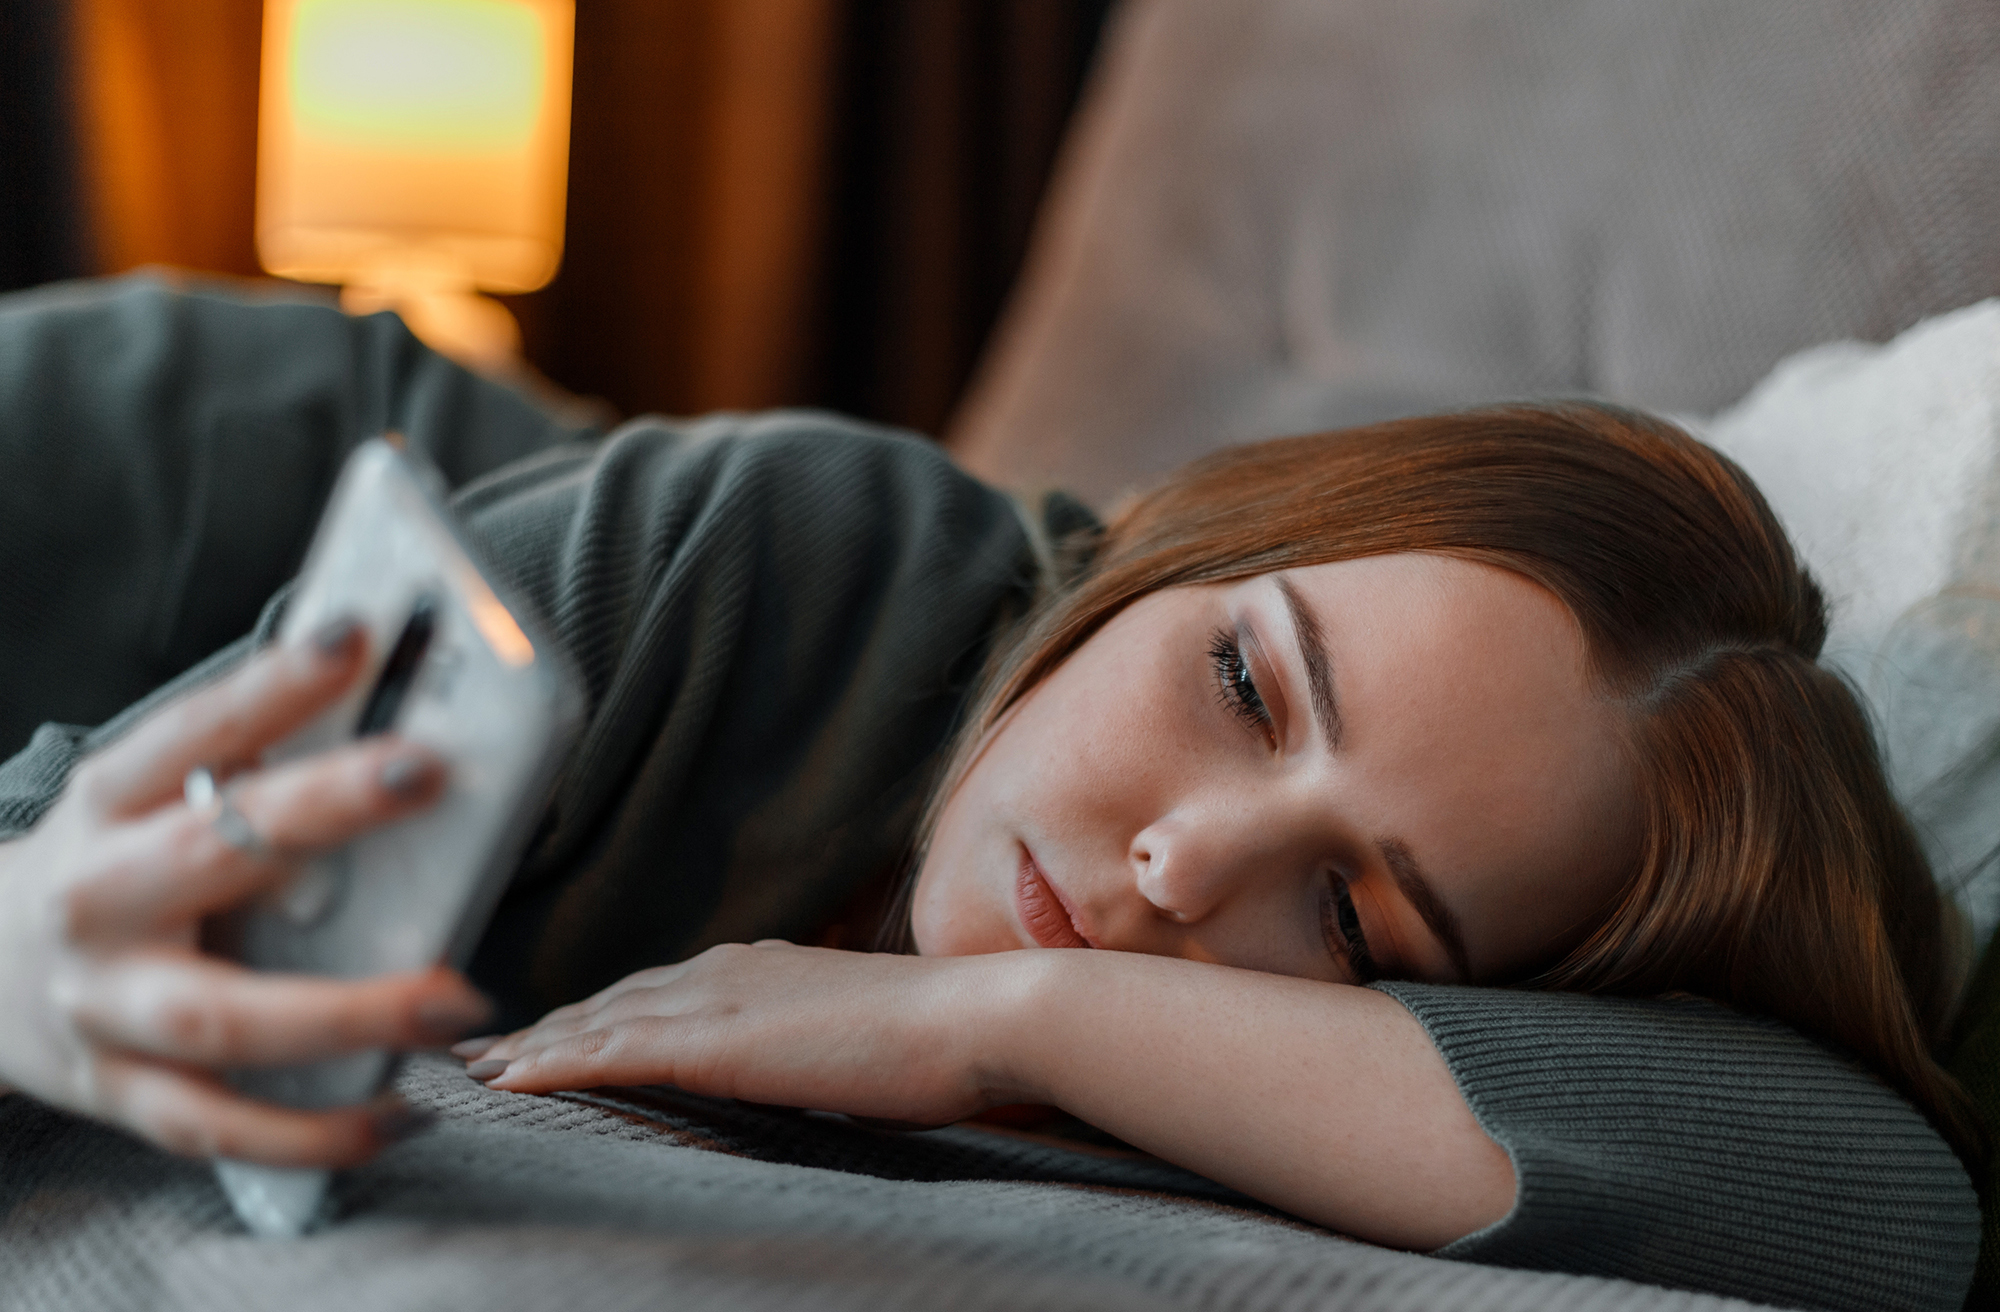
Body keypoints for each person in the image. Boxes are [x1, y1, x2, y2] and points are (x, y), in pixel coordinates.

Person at [0, 276, 1979, 1310]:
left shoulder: (1238, 1049)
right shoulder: (771, 554)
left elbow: (1877, 1212)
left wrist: (994, 1008)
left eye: (1352, 917)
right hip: (134, 475)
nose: (1186, 858)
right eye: (1240, 681)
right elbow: (57, 865)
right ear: (1187, 537)